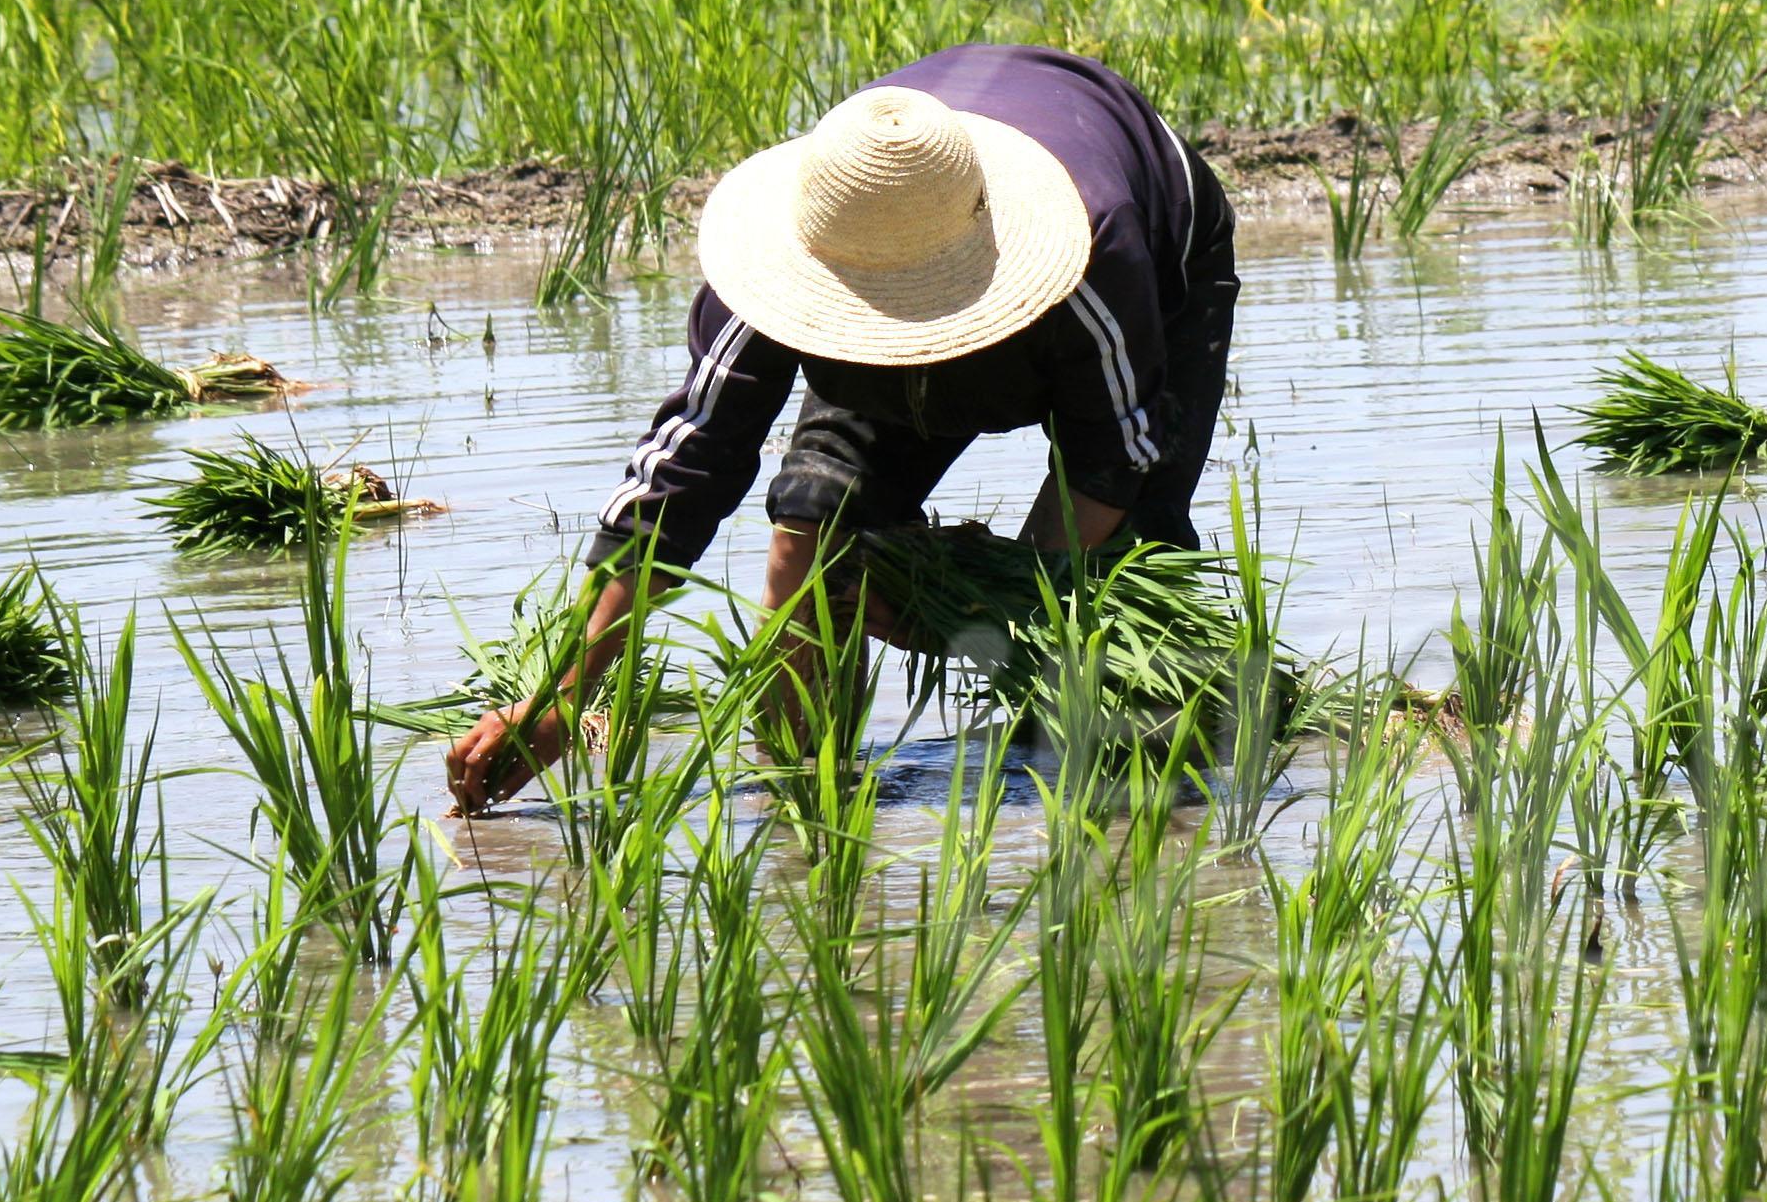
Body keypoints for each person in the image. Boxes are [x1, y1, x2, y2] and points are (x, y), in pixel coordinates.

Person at [447, 43, 1237, 811]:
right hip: (899, 223)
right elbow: (684, 476)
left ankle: (1162, 767)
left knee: (1123, 574)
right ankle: (803, 796)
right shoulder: (791, 255)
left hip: (1123, 244)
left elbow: (1114, 461)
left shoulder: (1093, 248)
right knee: (813, 524)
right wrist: (567, 701)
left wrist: (997, 614)